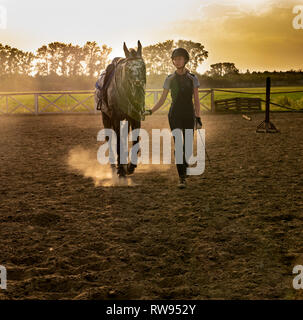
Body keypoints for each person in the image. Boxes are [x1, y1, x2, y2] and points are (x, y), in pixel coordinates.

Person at [148, 48, 203, 189]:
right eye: (175, 59)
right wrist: (151, 111)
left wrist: (198, 116)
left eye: (180, 58)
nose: (177, 61)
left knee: (188, 147)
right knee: (179, 145)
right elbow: (162, 100)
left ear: (185, 60)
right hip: (175, 115)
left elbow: (196, 100)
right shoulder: (169, 79)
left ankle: (184, 166)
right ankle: (182, 178)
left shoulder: (193, 78)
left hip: (189, 114)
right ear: (173, 61)